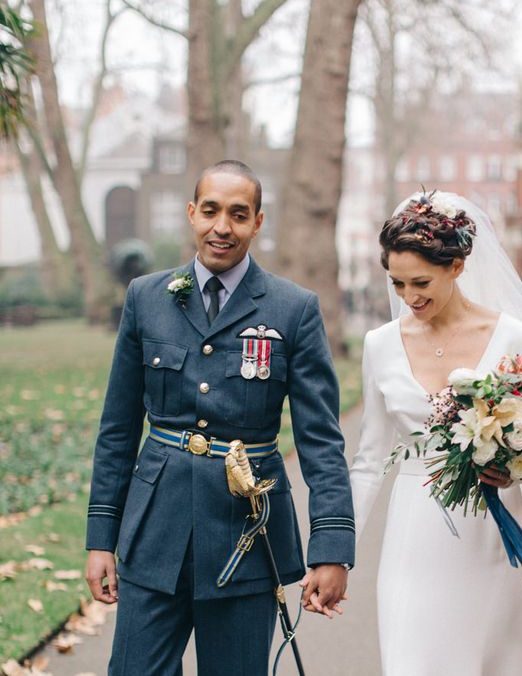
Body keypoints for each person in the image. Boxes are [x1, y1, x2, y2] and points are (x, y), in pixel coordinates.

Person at [84, 160, 354, 675]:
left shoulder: (293, 309)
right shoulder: (146, 297)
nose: (221, 227)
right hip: (154, 532)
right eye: (210, 211)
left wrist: (332, 548)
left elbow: (321, 441)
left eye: (237, 213)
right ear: (192, 214)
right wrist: (101, 538)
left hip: (246, 536)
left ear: (258, 221)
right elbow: (118, 428)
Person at [349, 191, 522, 676]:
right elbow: (369, 459)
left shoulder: (513, 337)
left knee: (490, 662)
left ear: (456, 266)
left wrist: (517, 471)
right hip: (414, 537)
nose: (409, 297)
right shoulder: (379, 345)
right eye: (398, 283)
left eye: (421, 282)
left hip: (492, 536)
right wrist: (335, 550)